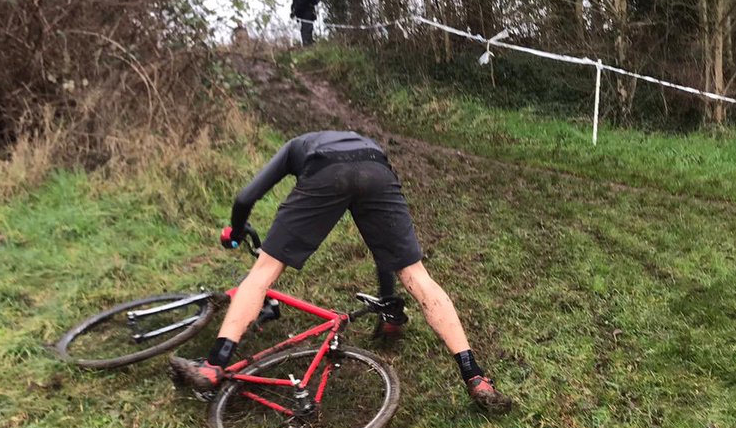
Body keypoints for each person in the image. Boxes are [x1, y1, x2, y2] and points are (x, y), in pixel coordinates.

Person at [169, 130, 512, 413]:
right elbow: (384, 250)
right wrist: (389, 304)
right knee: (417, 276)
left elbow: (246, 197)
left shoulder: (295, 148)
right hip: (376, 169)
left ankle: (213, 365)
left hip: (324, 172)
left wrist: (236, 229)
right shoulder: (365, 143)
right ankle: (475, 376)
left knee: (262, 273)